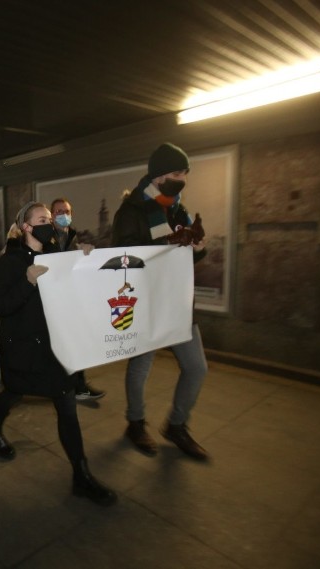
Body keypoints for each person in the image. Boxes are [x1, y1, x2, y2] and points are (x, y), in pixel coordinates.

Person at [0, 201, 116, 506]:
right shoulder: (10, 261)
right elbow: (1, 306)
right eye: (42, 219)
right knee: (13, 393)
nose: (50, 222)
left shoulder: (57, 256)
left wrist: (83, 259)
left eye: (50, 218)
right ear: (27, 227)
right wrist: (28, 281)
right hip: (23, 348)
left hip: (55, 346)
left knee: (67, 406)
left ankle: (81, 476)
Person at [111, 142, 209, 460]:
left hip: (178, 300)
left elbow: (188, 256)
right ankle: (135, 422)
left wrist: (197, 246)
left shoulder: (178, 208)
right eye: (178, 173)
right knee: (141, 367)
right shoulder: (132, 211)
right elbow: (123, 257)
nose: (183, 179)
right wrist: (168, 244)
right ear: (158, 176)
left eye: (184, 174)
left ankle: (176, 425)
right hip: (147, 301)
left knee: (196, 368)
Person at [50, 198, 107, 402]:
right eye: (58, 212)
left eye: (66, 211)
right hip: (55, 302)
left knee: (78, 345)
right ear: (51, 215)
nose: (63, 215)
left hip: (72, 301)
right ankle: (65, 387)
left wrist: (85, 253)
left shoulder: (72, 237)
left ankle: (77, 386)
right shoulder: (48, 238)